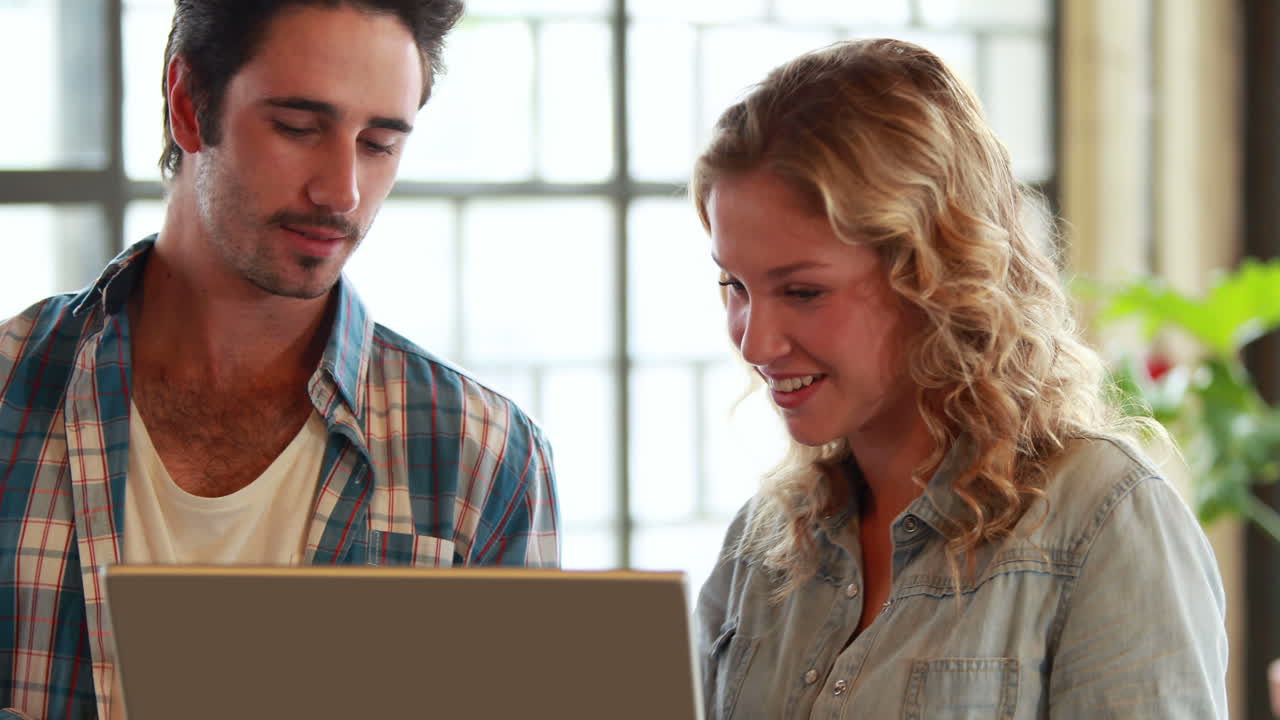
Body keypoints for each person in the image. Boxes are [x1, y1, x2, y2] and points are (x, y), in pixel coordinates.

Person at [0, 1, 559, 718]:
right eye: (299, 128)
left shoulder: (483, 459)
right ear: (187, 104)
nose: (342, 192)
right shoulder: (14, 391)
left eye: (379, 143)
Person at [692, 39, 1227, 718]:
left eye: (802, 292)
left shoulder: (1103, 524)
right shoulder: (760, 547)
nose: (754, 340)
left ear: (933, 276)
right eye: (733, 284)